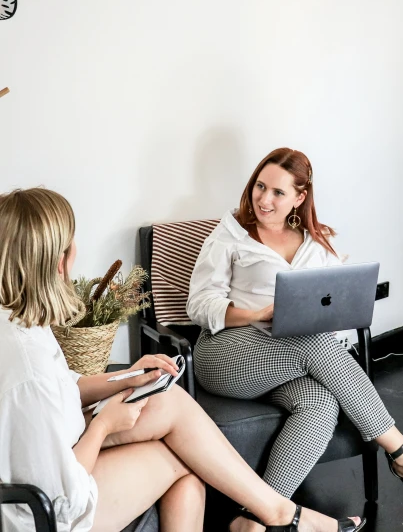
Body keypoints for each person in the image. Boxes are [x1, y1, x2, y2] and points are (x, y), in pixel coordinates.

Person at [0, 187, 366, 532]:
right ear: (57, 262)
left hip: (62, 452)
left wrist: (127, 376)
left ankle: (274, 511)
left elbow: (65, 387)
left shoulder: (20, 321)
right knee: (184, 462)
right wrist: (103, 427)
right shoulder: (27, 371)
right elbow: (63, 500)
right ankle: (280, 512)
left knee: (168, 402)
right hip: (48, 512)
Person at [188, 148, 403, 532]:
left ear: (300, 198)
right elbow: (199, 305)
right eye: (260, 186)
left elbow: (330, 306)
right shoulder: (231, 235)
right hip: (226, 353)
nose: (264, 199)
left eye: (277, 192)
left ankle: (254, 520)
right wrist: (259, 313)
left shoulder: (316, 243)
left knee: (320, 403)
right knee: (314, 345)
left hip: (286, 360)